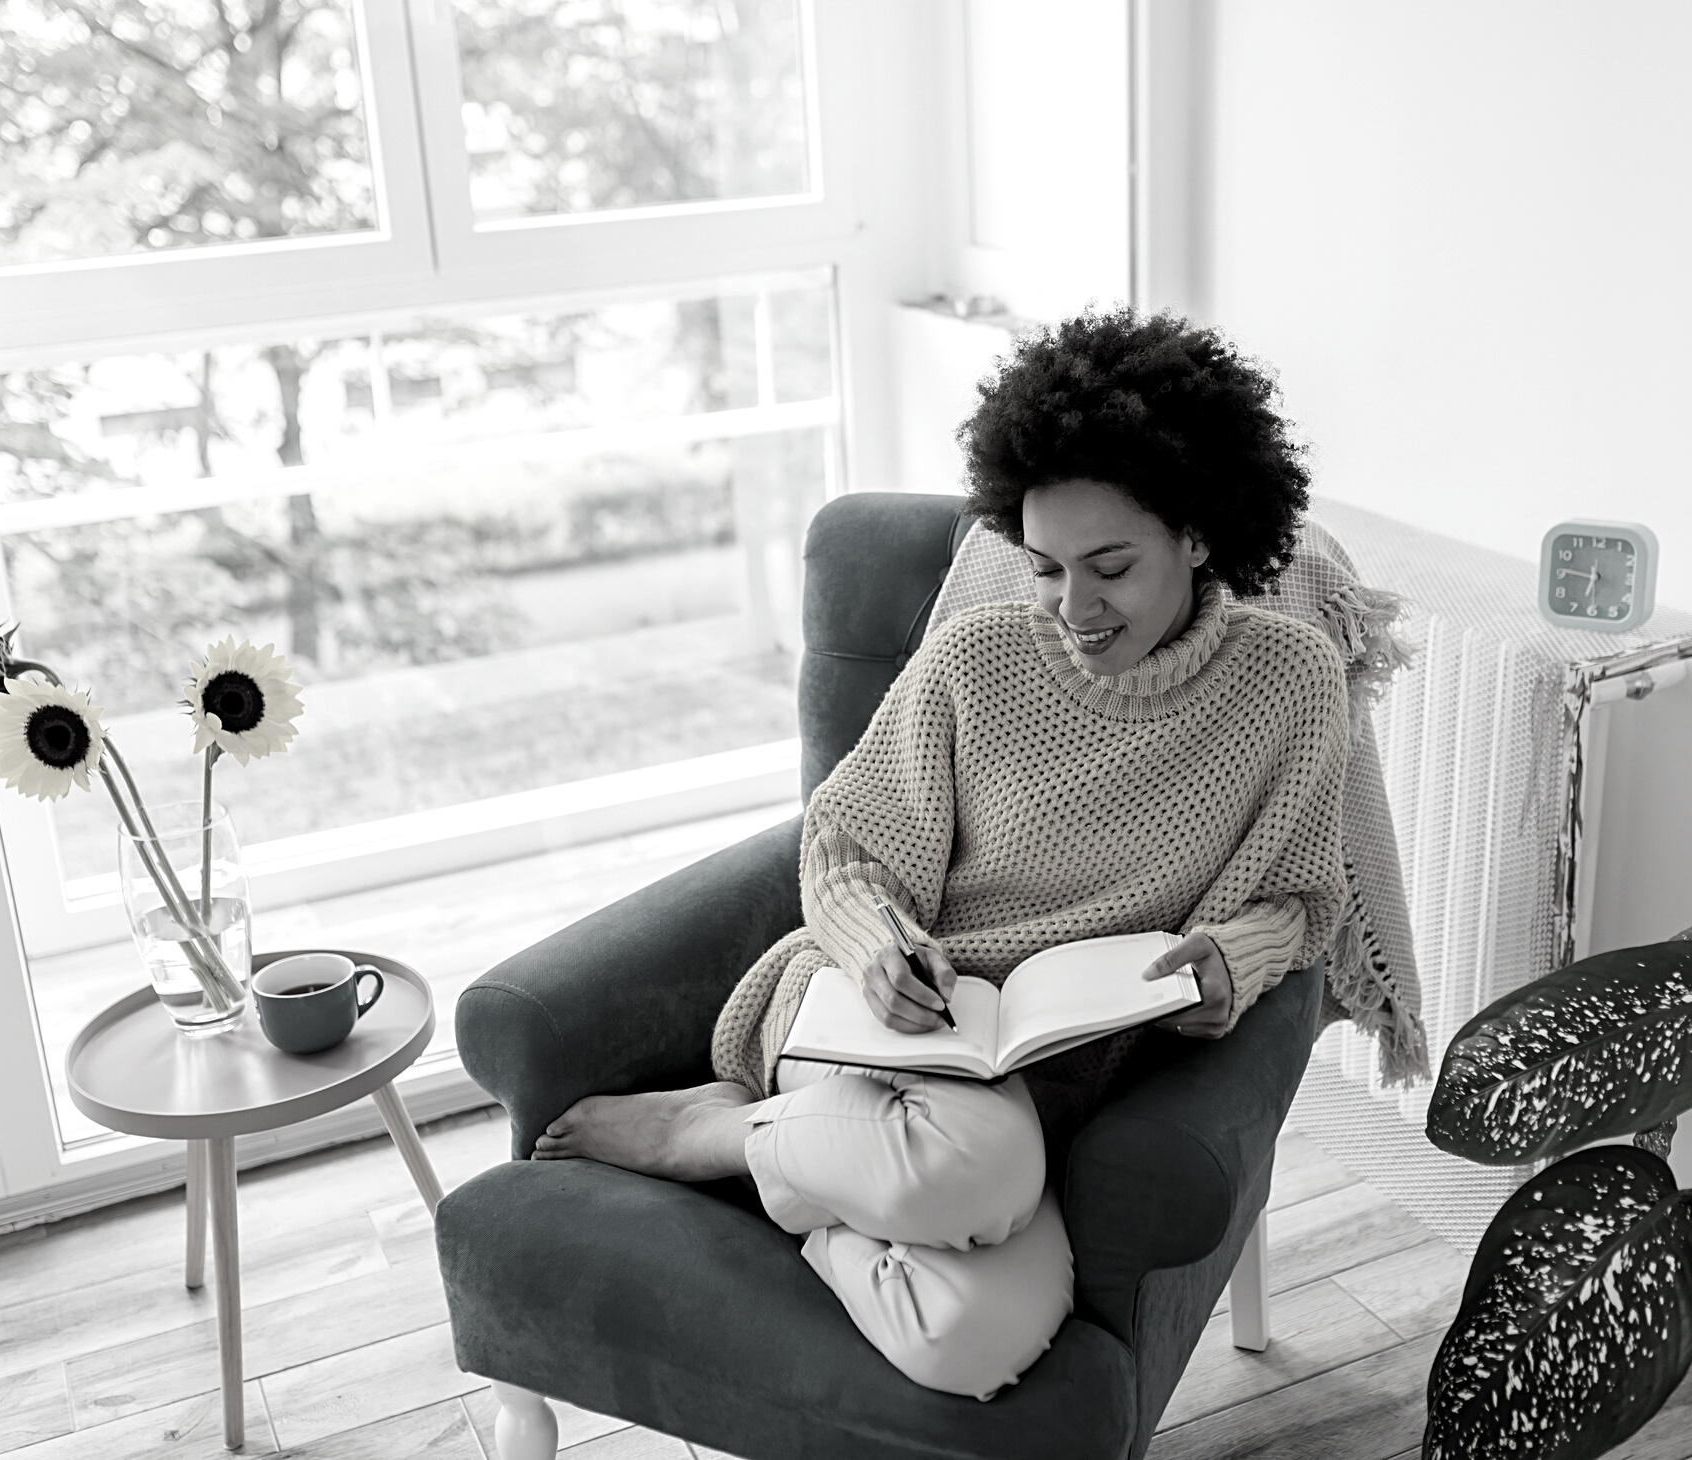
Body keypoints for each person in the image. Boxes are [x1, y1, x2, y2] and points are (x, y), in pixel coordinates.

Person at [533, 307, 1350, 1400]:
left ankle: (793, 1166)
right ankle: (707, 1135)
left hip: (1055, 1071)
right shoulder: (975, 656)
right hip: (887, 1023)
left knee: (971, 1338)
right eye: (1046, 564)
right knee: (985, 1165)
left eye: (1109, 565)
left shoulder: (1290, 681)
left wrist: (1227, 966)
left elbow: (1301, 904)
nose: (1072, 607)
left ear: (1198, 533)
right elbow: (844, 846)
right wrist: (878, 949)